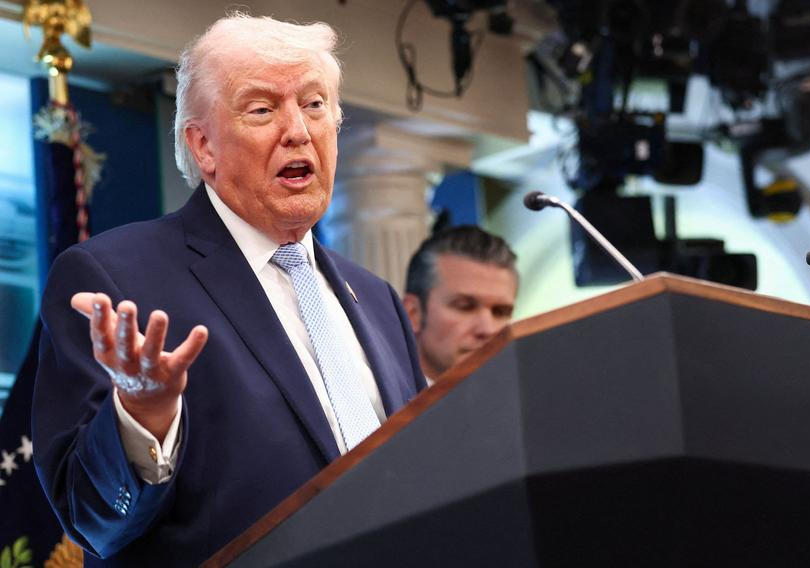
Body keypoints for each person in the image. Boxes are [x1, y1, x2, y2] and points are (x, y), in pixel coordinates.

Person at [32, 14, 425, 565]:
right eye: (263, 109)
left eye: (315, 106)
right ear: (204, 147)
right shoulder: (114, 277)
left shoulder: (377, 298)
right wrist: (143, 416)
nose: (298, 130)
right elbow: (91, 517)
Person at [402, 226, 518, 383]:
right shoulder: (376, 403)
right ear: (413, 313)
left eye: (500, 311)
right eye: (465, 306)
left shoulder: (532, 402)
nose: (487, 329)